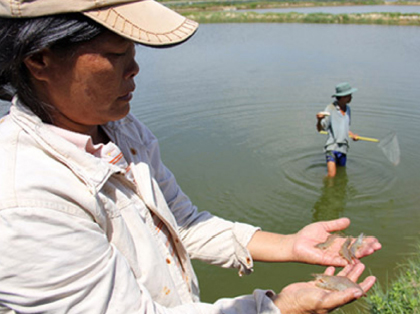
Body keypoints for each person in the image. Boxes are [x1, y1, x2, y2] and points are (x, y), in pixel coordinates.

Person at [0, 1, 381, 313]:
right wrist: (279, 308)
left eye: (134, 51)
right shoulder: (24, 200)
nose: (134, 69)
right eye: (117, 54)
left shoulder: (120, 128)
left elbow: (181, 223)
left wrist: (288, 245)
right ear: (39, 60)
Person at [316, 82, 360, 177]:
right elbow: (320, 129)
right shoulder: (330, 109)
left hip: (343, 148)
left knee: (341, 174)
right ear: (343, 97)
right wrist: (319, 120)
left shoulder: (348, 109)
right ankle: (325, 189)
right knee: (332, 174)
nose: (351, 97)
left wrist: (353, 136)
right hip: (332, 147)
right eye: (349, 95)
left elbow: (345, 128)